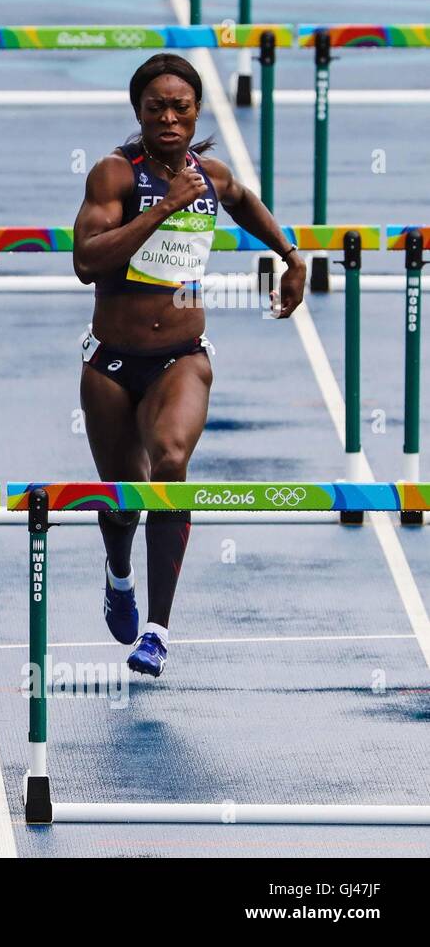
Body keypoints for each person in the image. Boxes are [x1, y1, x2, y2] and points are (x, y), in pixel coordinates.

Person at [71, 54, 305, 676]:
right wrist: (161, 210)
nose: (170, 118)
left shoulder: (211, 175)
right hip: (111, 365)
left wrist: (290, 253)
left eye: (181, 107)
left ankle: (157, 630)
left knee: (171, 461)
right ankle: (118, 575)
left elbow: (244, 200)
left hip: (182, 358)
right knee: (122, 499)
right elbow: (87, 261)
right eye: (157, 108)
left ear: (197, 110)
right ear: (139, 113)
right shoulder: (114, 176)